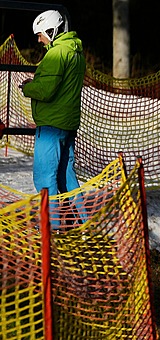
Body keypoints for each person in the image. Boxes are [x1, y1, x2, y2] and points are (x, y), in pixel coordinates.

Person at [19, 10, 86, 229]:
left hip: (51, 125)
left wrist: (28, 87)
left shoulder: (56, 53)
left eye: (40, 34)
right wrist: (38, 81)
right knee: (66, 176)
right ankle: (85, 223)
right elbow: (59, 82)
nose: (39, 39)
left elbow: (47, 90)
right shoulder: (75, 51)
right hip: (67, 124)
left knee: (44, 178)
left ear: (52, 31)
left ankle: (53, 228)